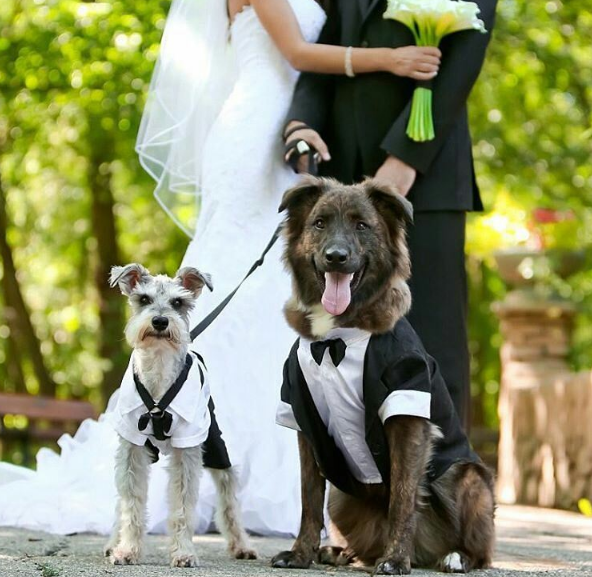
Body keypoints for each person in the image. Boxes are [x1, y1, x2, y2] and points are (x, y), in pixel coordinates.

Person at [0, 0, 443, 536]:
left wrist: (304, 124)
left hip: (287, 129)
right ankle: (205, 450)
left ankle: (272, 453)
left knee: (276, 290)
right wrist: (393, 59)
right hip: (255, 131)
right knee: (246, 272)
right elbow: (298, 51)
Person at [284, 0, 498, 431]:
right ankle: (366, 487)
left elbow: (463, 60)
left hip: (427, 174)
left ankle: (445, 486)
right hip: (341, 175)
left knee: (433, 342)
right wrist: (300, 125)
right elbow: (326, 49)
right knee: (345, 348)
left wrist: (406, 159)